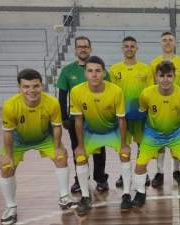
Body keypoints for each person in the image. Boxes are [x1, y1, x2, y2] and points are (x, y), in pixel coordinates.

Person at [0, 69, 76, 224]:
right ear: (19, 88)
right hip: (18, 140)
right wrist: (8, 155)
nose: (31, 90)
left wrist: (57, 147)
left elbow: (56, 126)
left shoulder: (52, 102)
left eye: (35, 86)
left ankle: (64, 197)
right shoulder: (9, 105)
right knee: (6, 166)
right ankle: (10, 207)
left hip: (43, 137)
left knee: (61, 157)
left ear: (42, 85)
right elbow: (7, 133)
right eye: (26, 87)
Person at [70, 56, 131, 214]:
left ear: (104, 73)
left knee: (125, 155)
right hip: (91, 132)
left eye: (98, 71)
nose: (94, 74)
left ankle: (126, 194)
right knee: (81, 158)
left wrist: (124, 144)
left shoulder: (116, 91)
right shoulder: (76, 91)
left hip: (113, 130)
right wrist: (80, 145)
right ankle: (85, 197)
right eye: (90, 71)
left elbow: (122, 120)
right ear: (85, 73)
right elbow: (78, 120)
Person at [131, 61, 180, 207]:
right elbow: (142, 114)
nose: (165, 79)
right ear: (156, 76)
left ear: (174, 76)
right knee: (140, 164)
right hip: (152, 134)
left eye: (169, 76)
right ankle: (140, 193)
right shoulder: (146, 94)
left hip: (176, 134)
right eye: (162, 76)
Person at [57, 36, 110, 193]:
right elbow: (62, 96)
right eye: (80, 46)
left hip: (97, 119)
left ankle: (100, 178)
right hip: (75, 119)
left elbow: (110, 94)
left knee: (99, 150)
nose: (83, 49)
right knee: (78, 150)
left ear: (90, 49)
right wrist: (64, 118)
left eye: (86, 46)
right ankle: (81, 179)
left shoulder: (101, 70)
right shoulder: (67, 71)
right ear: (75, 50)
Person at [108, 36, 153, 188]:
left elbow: (150, 93)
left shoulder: (146, 69)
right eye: (126, 46)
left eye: (132, 46)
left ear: (136, 48)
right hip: (122, 117)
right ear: (122, 49)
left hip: (141, 116)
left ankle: (143, 173)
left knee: (142, 146)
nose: (129, 48)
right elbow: (111, 93)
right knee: (123, 147)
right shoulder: (114, 69)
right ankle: (124, 174)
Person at [150, 31, 180, 188]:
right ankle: (159, 172)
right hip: (159, 108)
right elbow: (152, 88)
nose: (167, 42)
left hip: (177, 108)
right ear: (161, 43)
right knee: (159, 141)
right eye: (164, 40)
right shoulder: (153, 63)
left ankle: (176, 171)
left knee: (177, 141)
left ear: (174, 43)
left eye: (170, 40)